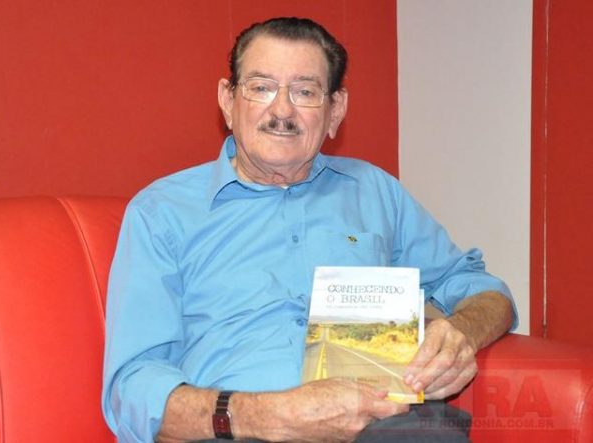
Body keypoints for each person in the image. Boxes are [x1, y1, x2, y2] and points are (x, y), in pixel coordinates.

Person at [102, 17, 516, 443]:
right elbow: (132, 387)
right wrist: (267, 415)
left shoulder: (375, 193)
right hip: (240, 431)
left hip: (383, 426)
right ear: (228, 101)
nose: (282, 111)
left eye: (304, 92)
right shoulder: (162, 212)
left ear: (335, 110)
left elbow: (483, 289)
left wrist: (462, 333)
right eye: (261, 87)